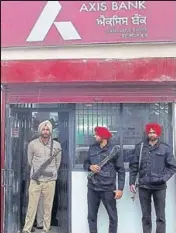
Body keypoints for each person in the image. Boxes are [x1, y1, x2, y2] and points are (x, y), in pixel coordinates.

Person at [129, 123, 176, 233]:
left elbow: (172, 167)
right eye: (149, 132)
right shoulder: (140, 147)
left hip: (159, 187)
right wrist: (132, 182)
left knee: (160, 217)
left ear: (158, 133)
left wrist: (163, 179)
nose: (151, 134)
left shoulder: (166, 148)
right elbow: (134, 165)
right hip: (143, 186)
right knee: (146, 217)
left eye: (154, 132)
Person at [83, 126, 125, 233]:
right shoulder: (92, 148)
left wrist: (120, 189)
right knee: (91, 216)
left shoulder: (114, 150)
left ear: (103, 136)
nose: (95, 136)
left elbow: (121, 170)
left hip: (108, 188)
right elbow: (85, 163)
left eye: (96, 134)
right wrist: (90, 167)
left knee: (112, 217)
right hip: (93, 187)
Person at [22, 120, 62, 233]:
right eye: (43, 129)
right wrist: (37, 172)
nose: (45, 131)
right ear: (40, 130)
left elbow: (57, 163)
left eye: (47, 129)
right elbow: (30, 161)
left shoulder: (57, 145)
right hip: (36, 180)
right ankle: (27, 229)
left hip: (50, 181)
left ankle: (45, 229)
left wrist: (51, 172)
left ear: (50, 131)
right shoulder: (32, 144)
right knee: (32, 206)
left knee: (47, 207)